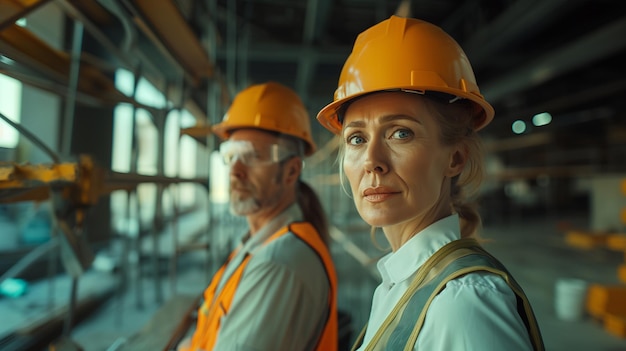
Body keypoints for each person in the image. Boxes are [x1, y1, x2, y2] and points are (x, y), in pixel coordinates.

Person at [316, 16, 544, 351]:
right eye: (356, 138)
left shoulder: (463, 306)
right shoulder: (401, 284)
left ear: (455, 158)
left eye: (401, 133)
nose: (371, 160)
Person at [179, 81, 337, 351]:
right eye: (231, 155)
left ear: (291, 171)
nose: (235, 171)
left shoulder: (279, 264)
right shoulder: (257, 243)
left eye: (251, 156)